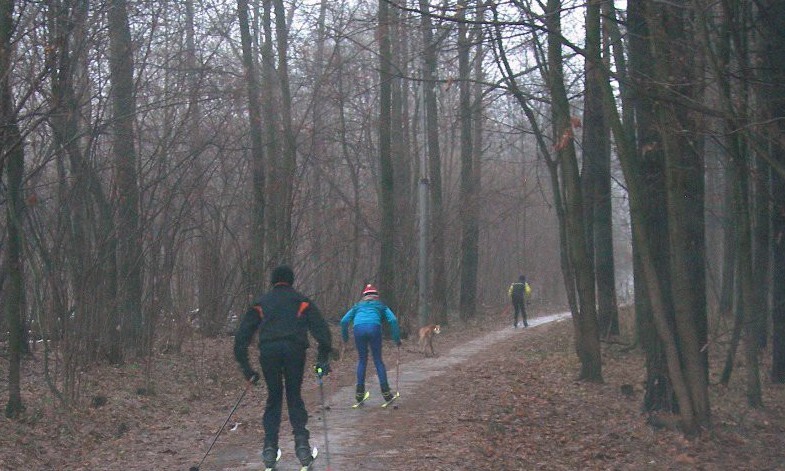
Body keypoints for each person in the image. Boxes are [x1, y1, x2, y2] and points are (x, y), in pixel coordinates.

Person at [234, 265, 332, 470]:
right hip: (295, 350)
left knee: (274, 397)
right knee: (294, 396)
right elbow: (322, 331)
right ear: (292, 280)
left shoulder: (261, 303)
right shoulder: (302, 301)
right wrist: (322, 359)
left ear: (273, 281)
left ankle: (270, 449)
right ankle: (302, 447)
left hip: (269, 351)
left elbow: (241, 338)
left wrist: (247, 369)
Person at [340, 283, 401, 404]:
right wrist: (396, 339)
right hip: (374, 328)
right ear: (376, 296)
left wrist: (345, 338)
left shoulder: (357, 306)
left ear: (364, 296)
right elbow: (393, 320)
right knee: (378, 360)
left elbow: (344, 321)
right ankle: (386, 393)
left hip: (358, 329)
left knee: (362, 360)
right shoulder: (381, 305)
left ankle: (359, 393)